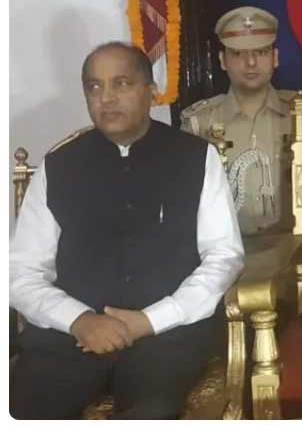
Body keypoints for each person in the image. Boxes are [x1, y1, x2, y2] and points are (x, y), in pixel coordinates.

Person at [10, 42, 244, 419]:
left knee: (152, 410)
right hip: (71, 339)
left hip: (166, 337)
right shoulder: (58, 167)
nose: (107, 98)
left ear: (150, 92)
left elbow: (224, 256)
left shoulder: (196, 158)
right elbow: (21, 273)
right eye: (94, 87)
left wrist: (150, 320)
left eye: (121, 84)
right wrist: (79, 320)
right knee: (27, 408)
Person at [181, 6, 302, 235]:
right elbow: (185, 202)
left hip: (295, 252)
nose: (251, 62)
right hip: (225, 256)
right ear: (222, 60)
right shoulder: (198, 124)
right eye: (238, 53)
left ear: (275, 58)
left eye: (261, 52)